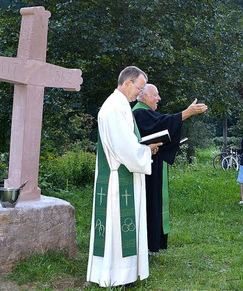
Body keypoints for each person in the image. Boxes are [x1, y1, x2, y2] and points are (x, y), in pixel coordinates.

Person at [87, 66, 160, 287]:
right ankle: (117, 275)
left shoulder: (117, 105)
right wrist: (146, 151)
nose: (139, 94)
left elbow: (126, 144)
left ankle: (118, 273)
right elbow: (125, 148)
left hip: (117, 175)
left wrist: (144, 147)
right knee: (118, 228)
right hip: (118, 181)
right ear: (127, 83)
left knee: (116, 229)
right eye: (139, 88)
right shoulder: (115, 108)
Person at [133, 84, 207, 253]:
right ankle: (146, 244)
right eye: (155, 95)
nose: (158, 98)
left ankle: (151, 243)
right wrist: (186, 113)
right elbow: (162, 123)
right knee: (149, 204)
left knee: (154, 203)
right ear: (143, 96)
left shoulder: (146, 112)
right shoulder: (139, 113)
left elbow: (161, 125)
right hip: (145, 171)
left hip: (152, 165)